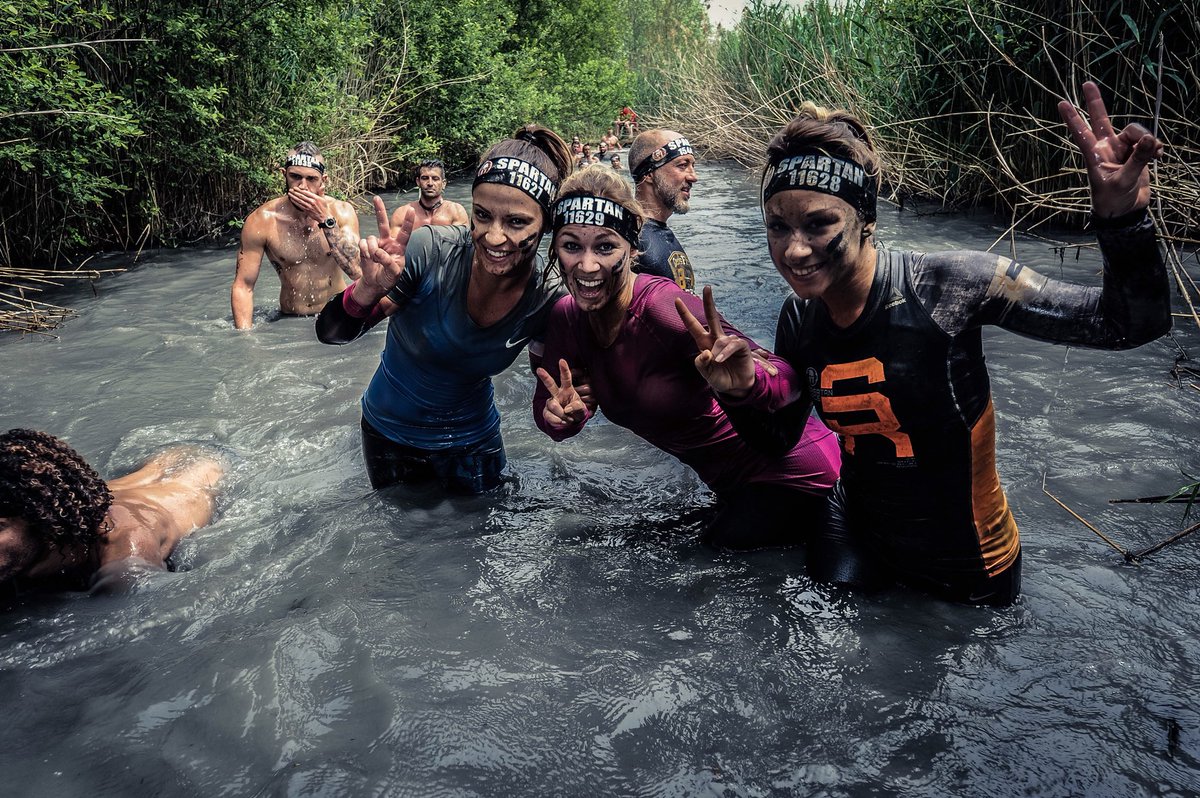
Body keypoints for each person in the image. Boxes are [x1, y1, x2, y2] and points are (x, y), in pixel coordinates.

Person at [692, 81, 1169, 605]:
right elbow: (779, 441)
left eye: (819, 223)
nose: (794, 249)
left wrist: (1124, 221)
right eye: (777, 226)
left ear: (866, 218)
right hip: (855, 532)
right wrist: (739, 393)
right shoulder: (798, 316)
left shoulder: (953, 286)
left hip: (968, 555)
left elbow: (1127, 325)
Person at [533, 166, 840, 548]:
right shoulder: (566, 316)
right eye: (572, 246)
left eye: (605, 246)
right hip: (730, 485)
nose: (588, 265)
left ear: (632, 249)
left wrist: (750, 381)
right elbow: (550, 415)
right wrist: (560, 418)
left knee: (681, 576)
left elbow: (788, 378)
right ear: (555, 249)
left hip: (794, 474)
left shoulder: (663, 308)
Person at [315, 125, 575, 494]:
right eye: (482, 215)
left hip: (475, 440)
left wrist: (562, 416)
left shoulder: (547, 298)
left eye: (516, 222)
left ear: (546, 223)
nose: (494, 237)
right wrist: (367, 290)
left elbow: (548, 398)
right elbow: (332, 334)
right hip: (390, 434)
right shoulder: (431, 251)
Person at [1, 429, 224, 594]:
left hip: (209, 472)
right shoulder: (55, 510)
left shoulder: (124, 547)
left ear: (42, 520)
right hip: (154, 469)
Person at [231, 141, 362, 330]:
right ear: (284, 175)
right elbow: (243, 286)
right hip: (289, 319)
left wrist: (325, 220)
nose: (302, 186)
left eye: (311, 179)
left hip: (336, 314)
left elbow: (357, 271)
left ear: (323, 180)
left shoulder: (341, 212)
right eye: (295, 177)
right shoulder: (262, 221)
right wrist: (244, 341)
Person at [629, 129, 698, 291]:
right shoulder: (631, 239)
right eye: (682, 165)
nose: (694, 176)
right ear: (649, 174)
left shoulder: (656, 230)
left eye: (693, 166)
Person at [389, 159, 469, 234]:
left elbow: (463, 246)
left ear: (443, 183)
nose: (430, 183)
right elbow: (394, 246)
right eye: (425, 178)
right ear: (418, 182)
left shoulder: (456, 212)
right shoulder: (402, 214)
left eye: (435, 179)